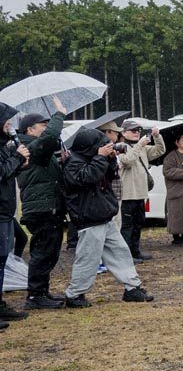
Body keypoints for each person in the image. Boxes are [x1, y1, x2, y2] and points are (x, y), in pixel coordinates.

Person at [60, 127, 153, 306]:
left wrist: (109, 159)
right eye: (101, 145)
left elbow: (111, 175)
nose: (106, 147)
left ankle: (132, 288)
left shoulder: (92, 158)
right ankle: (74, 295)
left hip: (104, 215)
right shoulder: (73, 162)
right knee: (88, 258)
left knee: (120, 253)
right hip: (89, 218)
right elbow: (88, 178)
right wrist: (101, 157)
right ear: (90, 147)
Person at [17, 100, 69, 310]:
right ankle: (35, 296)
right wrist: (59, 115)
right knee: (43, 251)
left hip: (48, 206)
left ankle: (41, 292)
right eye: (43, 125)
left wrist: (62, 162)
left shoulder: (39, 149)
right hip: (41, 208)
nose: (47, 128)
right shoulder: (28, 148)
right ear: (30, 129)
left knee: (49, 251)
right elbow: (49, 138)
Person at [116, 120, 165, 262]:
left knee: (138, 224)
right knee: (126, 226)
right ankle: (126, 256)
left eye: (138, 130)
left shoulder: (142, 148)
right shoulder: (119, 147)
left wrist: (157, 136)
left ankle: (135, 251)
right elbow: (128, 161)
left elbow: (160, 150)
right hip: (127, 194)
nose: (137, 133)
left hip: (140, 193)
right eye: (133, 130)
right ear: (123, 133)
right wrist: (140, 145)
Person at [0, 104, 31, 322]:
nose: (9, 123)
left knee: (3, 259)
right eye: (6, 119)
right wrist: (17, 158)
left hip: (5, 210)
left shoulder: (4, 145)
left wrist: (19, 162)